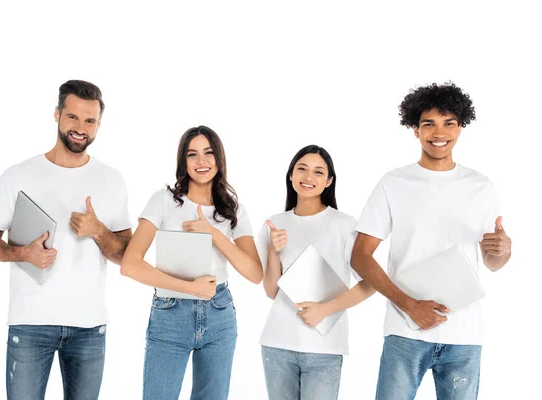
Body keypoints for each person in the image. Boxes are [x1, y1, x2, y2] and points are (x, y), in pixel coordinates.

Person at [351, 82, 512, 399]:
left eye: (449, 123)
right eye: (429, 124)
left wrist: (502, 251)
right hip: (405, 331)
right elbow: (360, 256)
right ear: (415, 129)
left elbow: (493, 263)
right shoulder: (394, 183)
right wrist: (409, 305)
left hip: (464, 334)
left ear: (461, 126)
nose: (440, 133)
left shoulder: (481, 187)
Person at [0, 80, 133, 400]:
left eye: (90, 121)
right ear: (57, 114)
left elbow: (126, 256)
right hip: (30, 323)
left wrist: (98, 231)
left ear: (99, 125)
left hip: (89, 327)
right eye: (73, 117)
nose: (80, 128)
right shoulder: (18, 175)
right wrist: (23, 253)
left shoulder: (111, 179)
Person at [120, 125, 263, 400]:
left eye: (209, 153)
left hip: (219, 313)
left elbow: (255, 273)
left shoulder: (234, 209)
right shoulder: (163, 201)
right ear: (183, 162)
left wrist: (213, 234)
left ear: (219, 159)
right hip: (170, 312)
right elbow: (130, 265)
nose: (201, 161)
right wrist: (189, 288)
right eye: (192, 154)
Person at [258, 145, 375, 399]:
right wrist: (272, 252)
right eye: (302, 169)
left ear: (328, 181)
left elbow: (371, 283)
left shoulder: (345, 225)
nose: (308, 177)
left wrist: (325, 309)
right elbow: (271, 292)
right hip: (278, 343)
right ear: (291, 175)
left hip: (325, 346)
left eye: (318, 172)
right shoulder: (274, 223)